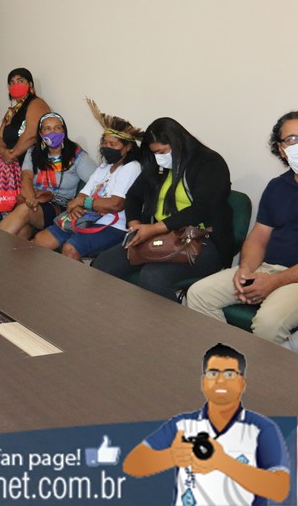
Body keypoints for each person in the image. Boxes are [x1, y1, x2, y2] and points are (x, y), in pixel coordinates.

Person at [123, 343, 290, 505]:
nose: (220, 380)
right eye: (213, 373)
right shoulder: (183, 425)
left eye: (230, 374)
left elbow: (280, 489)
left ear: (242, 383)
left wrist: (222, 462)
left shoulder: (262, 429)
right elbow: (132, 465)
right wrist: (171, 456)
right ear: (203, 382)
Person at [186, 111, 298, 345]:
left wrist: (275, 282)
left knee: (268, 323)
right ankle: (230, 356)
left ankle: (270, 368)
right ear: (281, 149)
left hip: (293, 280)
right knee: (198, 295)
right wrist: (245, 270)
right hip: (267, 268)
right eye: (292, 139)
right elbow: (258, 237)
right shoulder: (277, 186)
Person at [92, 118, 233, 301]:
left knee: (152, 277)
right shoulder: (160, 166)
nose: (158, 157)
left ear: (178, 143)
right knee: (103, 264)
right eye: (154, 153)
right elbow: (134, 196)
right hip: (160, 238)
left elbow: (202, 209)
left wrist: (154, 228)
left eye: (162, 152)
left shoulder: (209, 163)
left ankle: (168, 321)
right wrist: (135, 224)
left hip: (202, 241)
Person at [33, 99, 142, 260]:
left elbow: (115, 204)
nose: (107, 147)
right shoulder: (104, 167)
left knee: (70, 249)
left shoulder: (131, 167)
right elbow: (80, 196)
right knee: (40, 240)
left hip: (114, 226)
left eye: (113, 144)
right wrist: (76, 206)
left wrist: (84, 203)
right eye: (105, 143)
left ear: (128, 147)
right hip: (86, 218)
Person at [0, 112, 97, 239]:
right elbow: (26, 177)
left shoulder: (77, 155)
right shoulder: (33, 152)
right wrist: (31, 198)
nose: (53, 132)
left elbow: (98, 182)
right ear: (41, 133)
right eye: (47, 129)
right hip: (34, 200)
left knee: (24, 210)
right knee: (22, 231)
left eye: (57, 128)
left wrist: (80, 201)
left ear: (64, 131)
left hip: (60, 206)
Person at [0, 68, 51, 165]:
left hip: (33, 164)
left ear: (30, 84)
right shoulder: (11, 111)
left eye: (20, 81)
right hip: (13, 165)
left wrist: (12, 155)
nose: (15, 85)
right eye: (12, 83)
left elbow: (31, 134)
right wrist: (3, 151)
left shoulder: (36, 103)